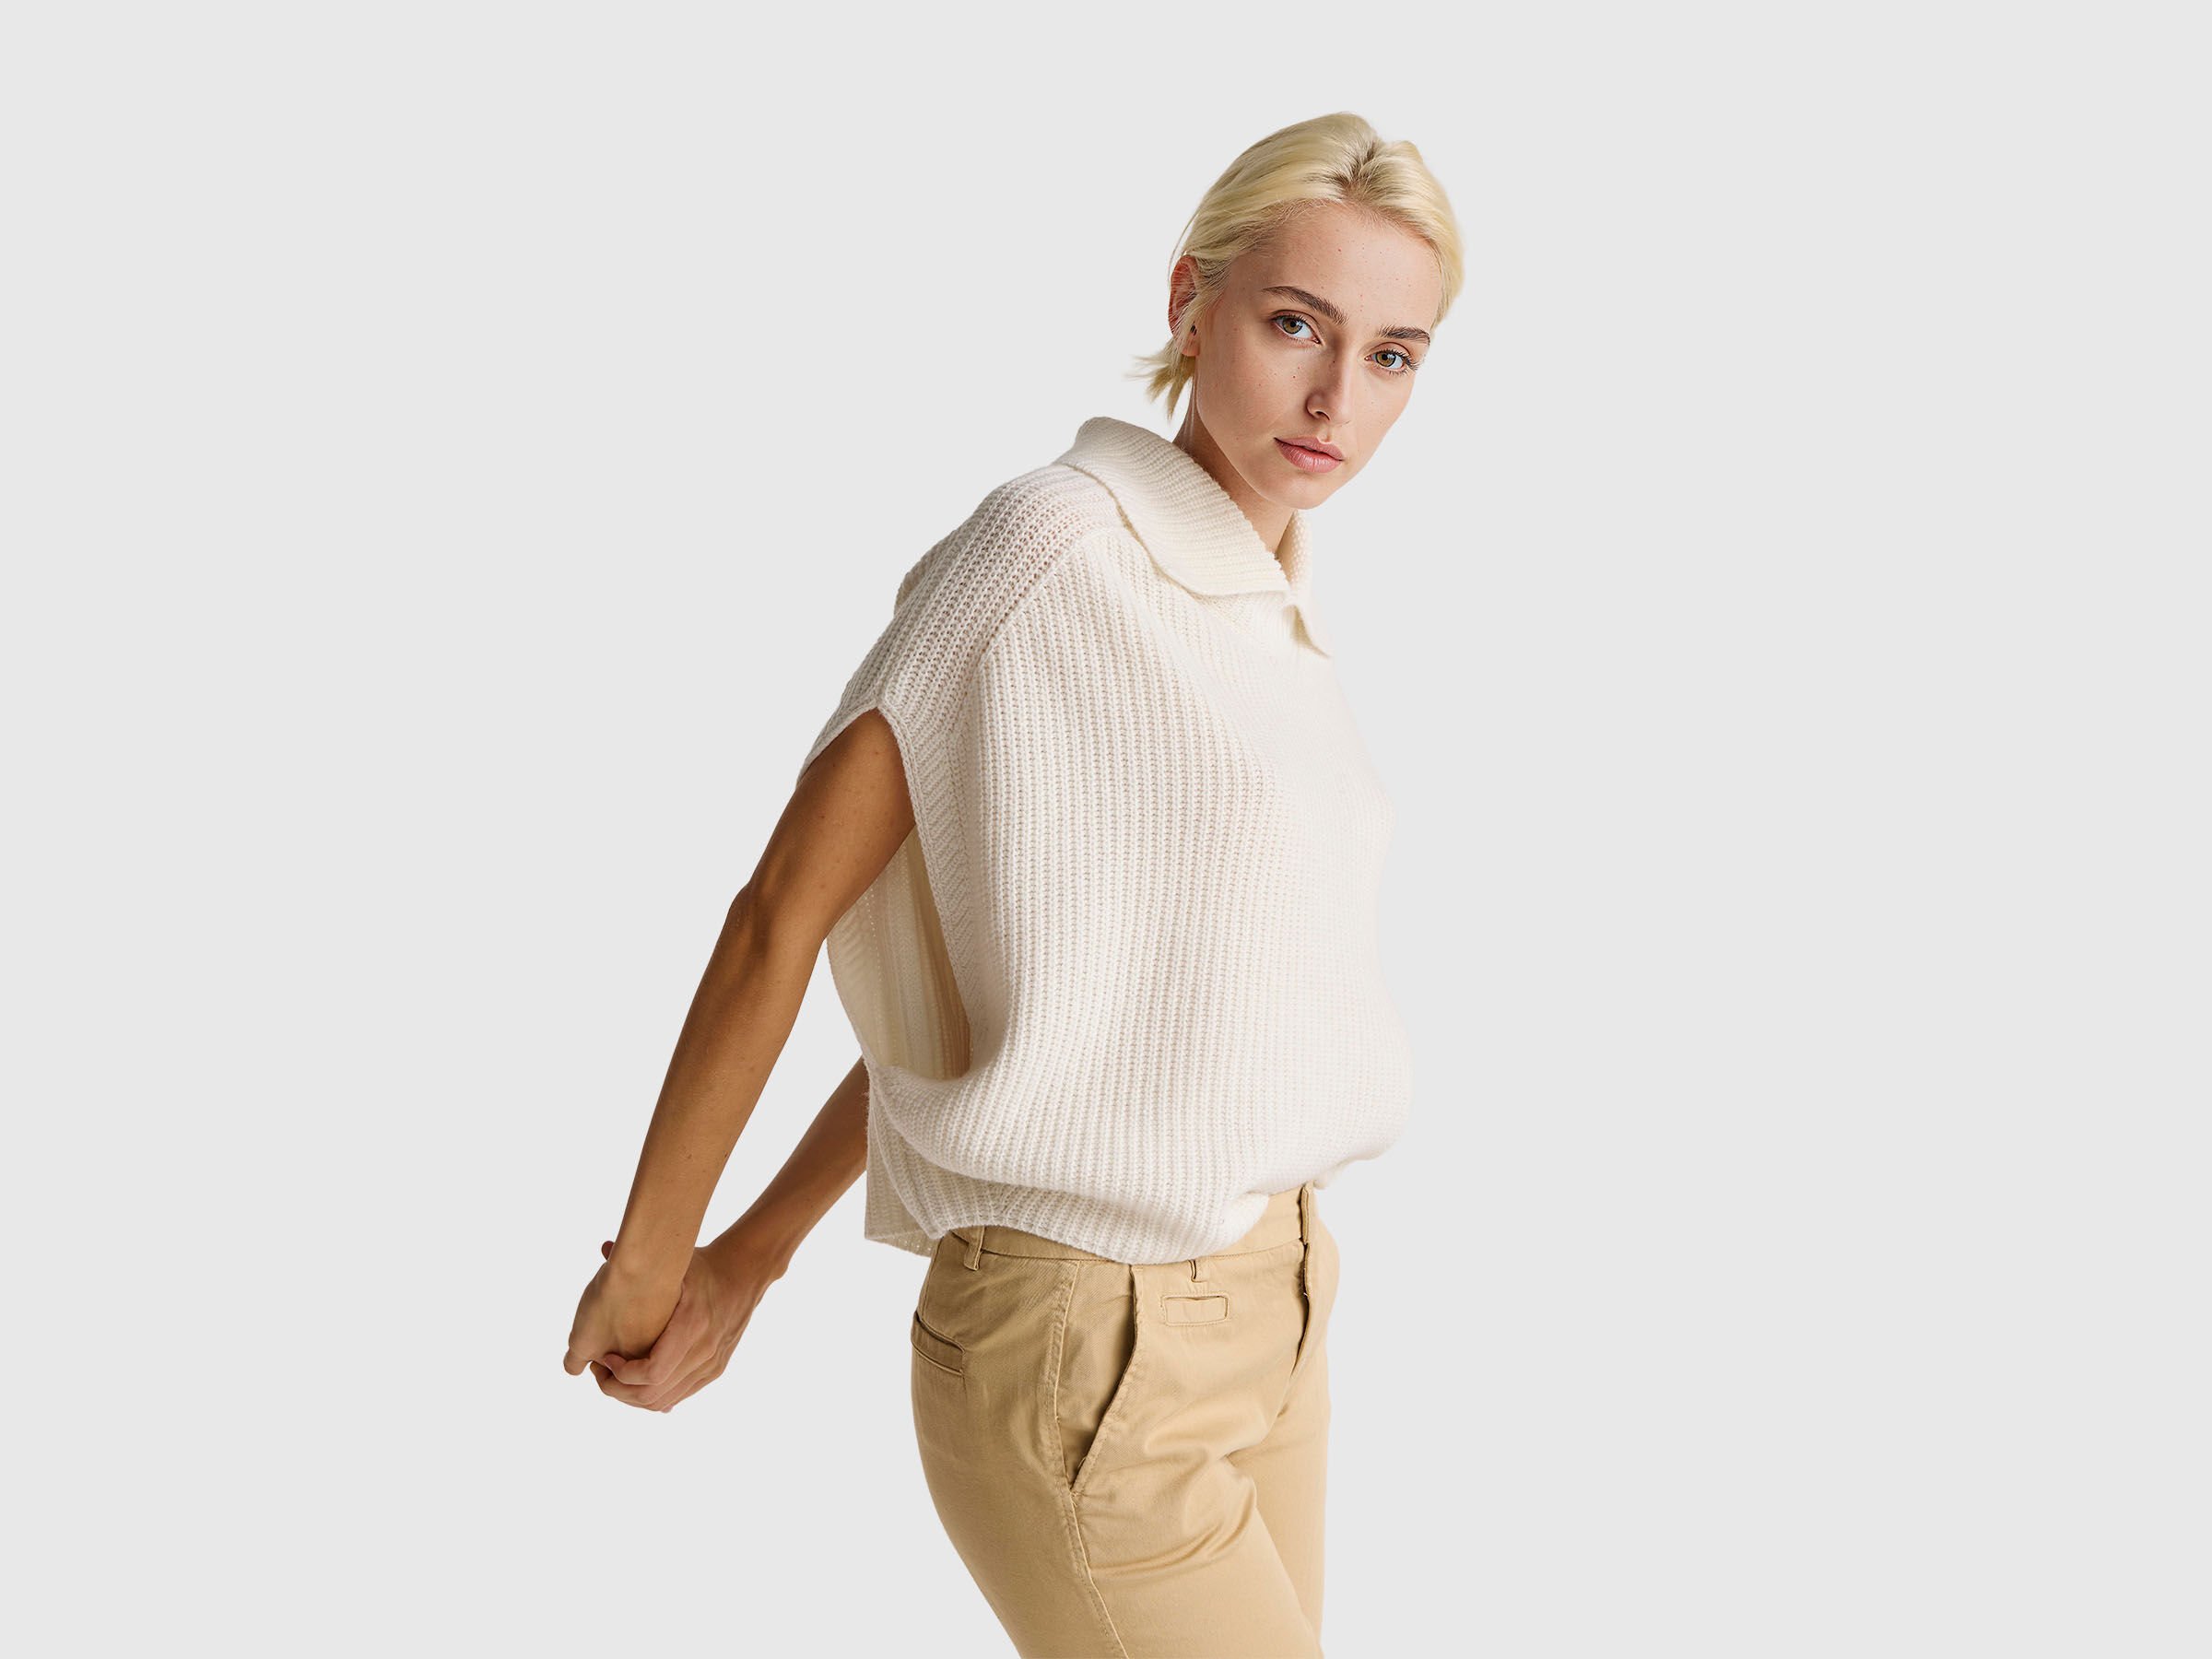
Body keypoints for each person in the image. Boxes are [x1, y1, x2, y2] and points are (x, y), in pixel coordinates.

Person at [564, 110, 1461, 1657]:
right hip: (1093, 1343)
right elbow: (782, 915)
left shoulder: (1263, 605)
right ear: (1190, 301)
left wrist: (760, 1248)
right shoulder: (1047, 549)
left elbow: (1027, 1014)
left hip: (1278, 1307)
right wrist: (667, 1262)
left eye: (1392, 355)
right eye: (1295, 325)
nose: (1337, 397)